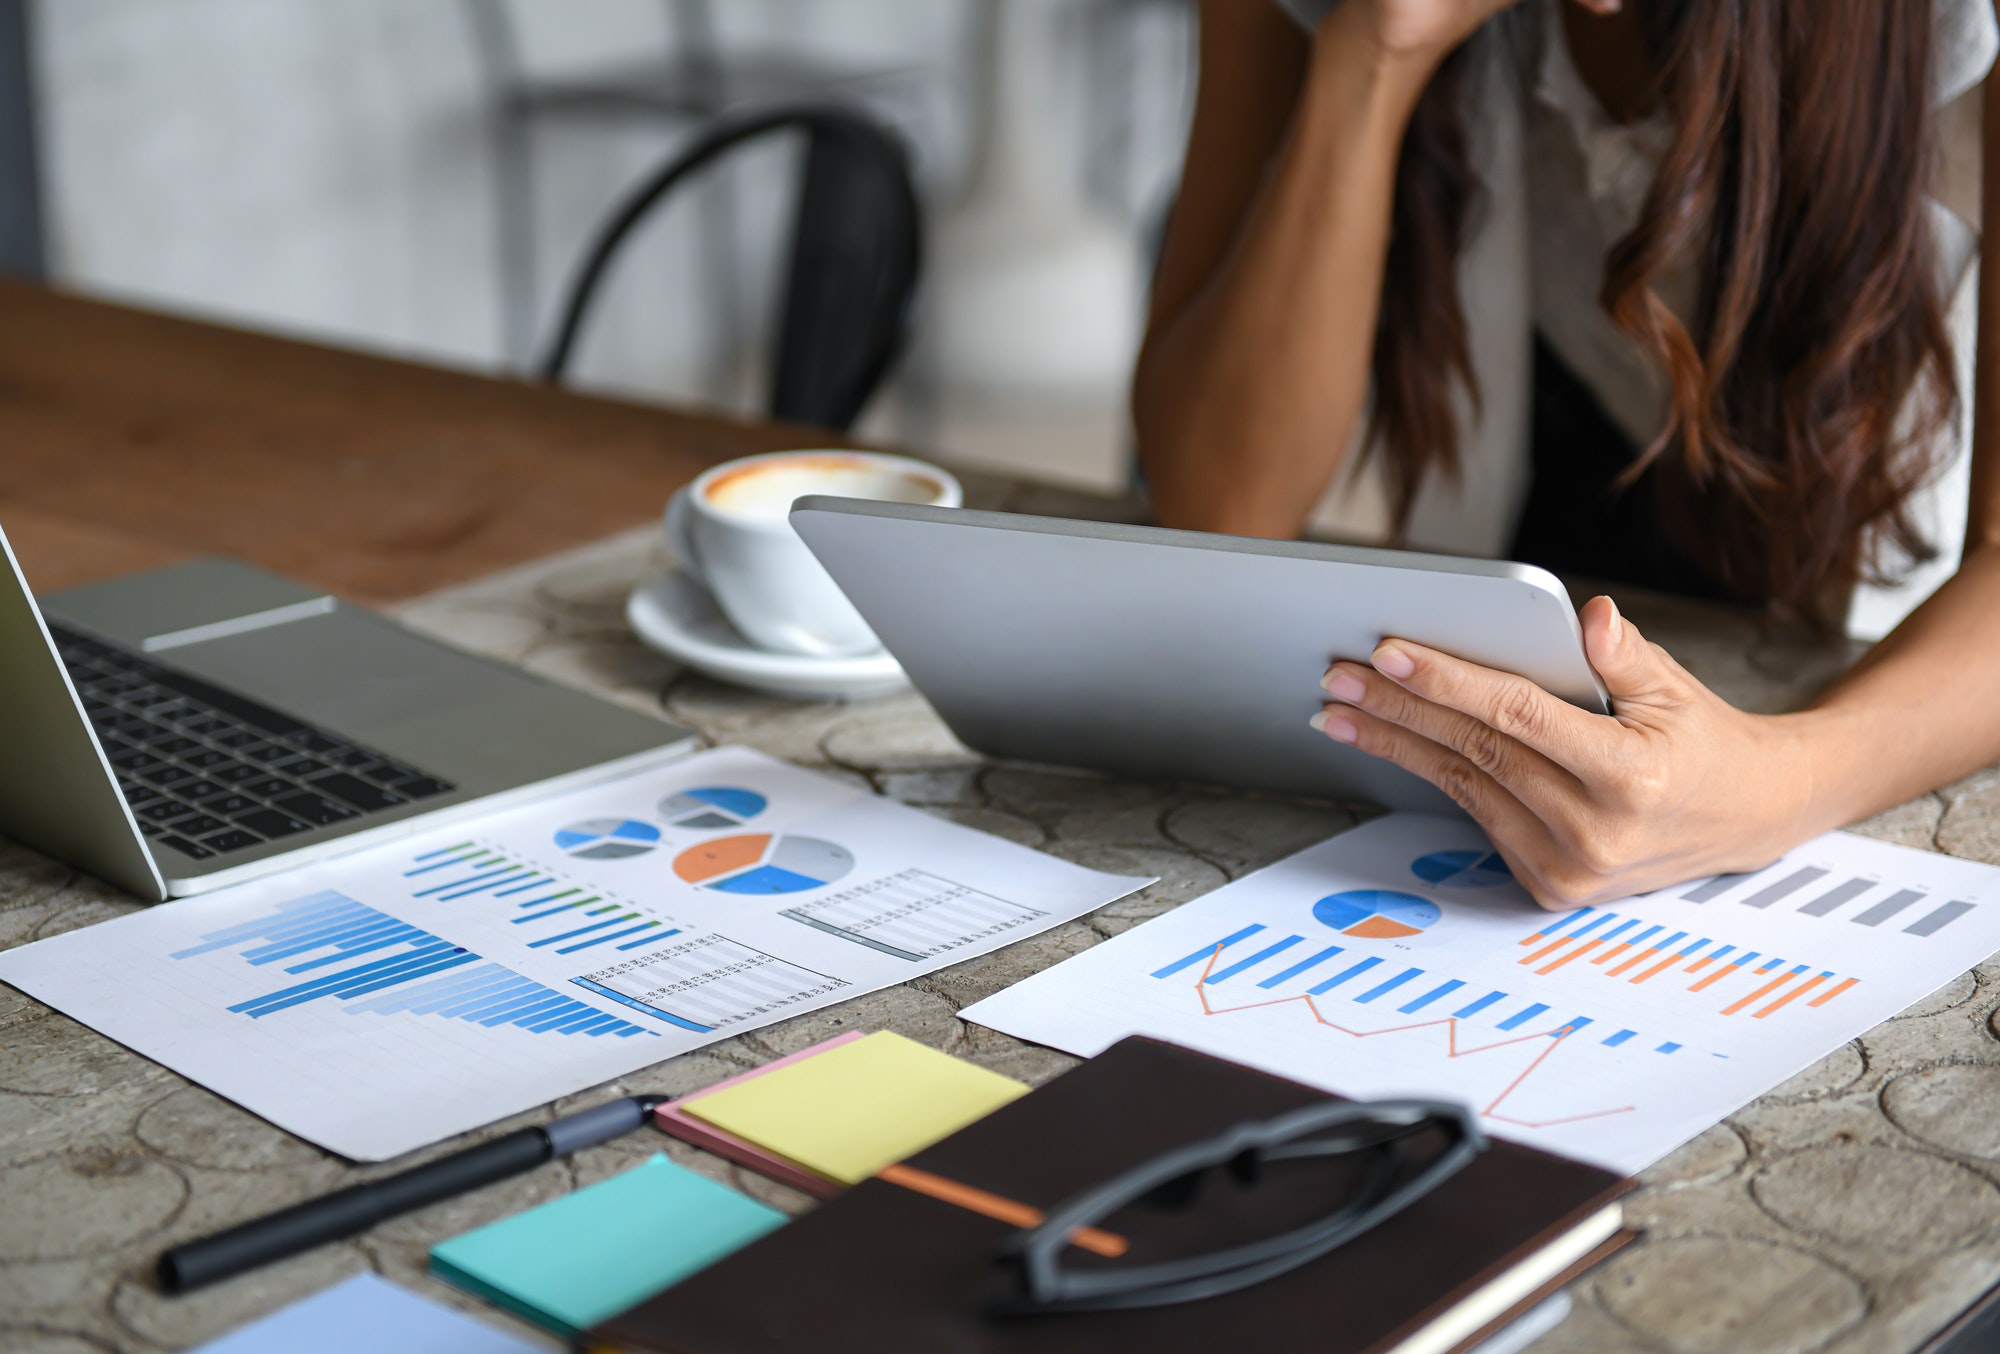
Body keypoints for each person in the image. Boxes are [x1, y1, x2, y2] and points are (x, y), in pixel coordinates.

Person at [1132, 0, 2000, 908]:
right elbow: (1219, 502)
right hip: (1551, 545)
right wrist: (1375, 51)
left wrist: (1775, 785)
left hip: (1892, 637)